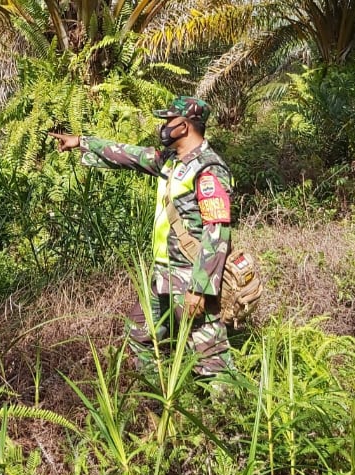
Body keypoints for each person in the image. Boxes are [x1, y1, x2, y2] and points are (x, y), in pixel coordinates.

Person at [49, 97, 235, 380]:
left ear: (184, 126)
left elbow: (217, 232)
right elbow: (130, 155)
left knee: (211, 362)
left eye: (168, 121)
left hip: (190, 276)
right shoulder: (171, 162)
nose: (163, 127)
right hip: (163, 273)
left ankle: (230, 413)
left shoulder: (208, 169)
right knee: (139, 335)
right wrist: (82, 142)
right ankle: (159, 399)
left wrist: (200, 289)